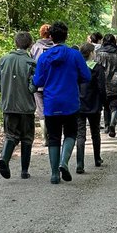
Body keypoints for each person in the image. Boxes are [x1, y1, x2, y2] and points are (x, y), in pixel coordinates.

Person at [31, 21, 92, 184]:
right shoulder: (75, 55)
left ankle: (54, 174)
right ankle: (64, 162)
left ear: (51, 37)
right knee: (71, 133)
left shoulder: (44, 57)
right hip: (70, 101)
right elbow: (87, 76)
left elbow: (38, 81)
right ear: (66, 36)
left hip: (51, 103)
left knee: (53, 138)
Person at [0, 31, 36, 180]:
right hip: (26, 107)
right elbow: (33, 86)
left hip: (8, 105)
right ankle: (24, 171)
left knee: (10, 135)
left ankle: (4, 158)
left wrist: (7, 92)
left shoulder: (4, 59)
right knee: (27, 137)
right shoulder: (31, 62)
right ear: (30, 44)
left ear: (15, 43)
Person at [76, 42, 106, 173]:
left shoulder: (77, 68)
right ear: (90, 53)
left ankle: (80, 163)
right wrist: (104, 103)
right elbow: (101, 88)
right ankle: (97, 158)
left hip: (79, 104)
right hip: (94, 104)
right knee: (95, 132)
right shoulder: (98, 68)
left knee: (80, 134)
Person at [96, 33, 117, 135]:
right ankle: (112, 124)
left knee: (106, 106)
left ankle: (106, 126)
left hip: (102, 83)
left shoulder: (98, 53)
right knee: (115, 106)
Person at [30, 24, 55, 144]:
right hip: (53, 84)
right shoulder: (56, 47)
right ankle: (52, 133)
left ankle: (45, 137)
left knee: (41, 111)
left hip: (39, 83)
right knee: (51, 109)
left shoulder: (35, 47)